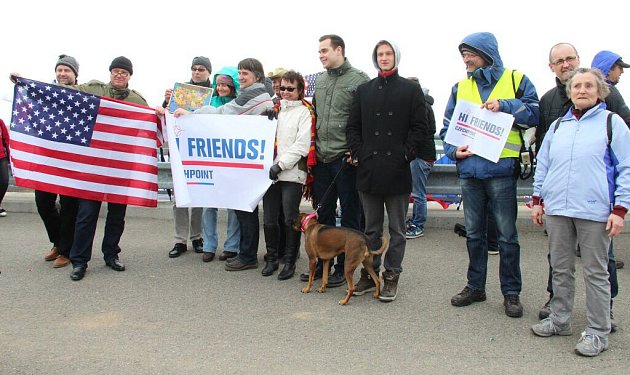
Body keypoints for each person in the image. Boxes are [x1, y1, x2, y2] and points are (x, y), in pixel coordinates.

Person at [530, 67, 630, 357]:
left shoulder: (612, 124)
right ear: (570, 91)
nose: (582, 90)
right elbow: (544, 164)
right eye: (577, 86)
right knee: (560, 268)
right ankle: (560, 319)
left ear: (600, 91)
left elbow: (625, 167)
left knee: (596, 273)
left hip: (595, 211)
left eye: (589, 86)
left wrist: (620, 209)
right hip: (558, 208)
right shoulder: (559, 126)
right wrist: (538, 200)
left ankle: (598, 332)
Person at [440, 32, 540, 318]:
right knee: (473, 234)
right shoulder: (460, 87)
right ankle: (475, 287)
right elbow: (447, 127)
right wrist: (451, 150)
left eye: (469, 53)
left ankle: (511, 293)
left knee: (507, 236)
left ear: (486, 53)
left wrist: (506, 105)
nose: (465, 59)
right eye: (462, 55)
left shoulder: (516, 79)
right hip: (470, 171)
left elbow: (534, 113)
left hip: (500, 171)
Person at [159, 58, 273, 271]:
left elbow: (223, 114)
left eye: (245, 73)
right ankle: (246, 253)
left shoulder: (253, 95)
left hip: (246, 164)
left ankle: (248, 256)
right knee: (244, 209)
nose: (241, 77)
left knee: (244, 209)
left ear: (257, 76)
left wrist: (192, 115)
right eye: (239, 73)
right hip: (246, 163)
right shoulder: (258, 94)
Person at [346, 40, 427, 301]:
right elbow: (353, 127)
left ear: (396, 57)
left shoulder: (411, 89)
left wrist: (406, 153)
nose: (383, 57)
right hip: (369, 169)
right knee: (370, 228)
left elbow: (420, 127)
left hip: (397, 168)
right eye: (380, 54)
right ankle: (370, 275)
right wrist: (359, 153)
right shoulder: (364, 90)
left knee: (397, 229)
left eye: (388, 53)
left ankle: (392, 276)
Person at [68, 56, 149, 281]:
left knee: (116, 216)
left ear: (130, 76)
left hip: (120, 167)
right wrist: (22, 82)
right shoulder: (94, 89)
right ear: (110, 73)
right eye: (115, 71)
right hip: (93, 166)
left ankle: (111, 254)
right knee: (86, 214)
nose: (119, 75)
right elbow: (67, 91)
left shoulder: (138, 100)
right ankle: (79, 261)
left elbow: (147, 126)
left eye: (123, 72)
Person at [298, 34, 370, 287]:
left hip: (345, 158)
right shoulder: (319, 81)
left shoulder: (359, 80)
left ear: (339, 50)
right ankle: (322, 265)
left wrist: (357, 151)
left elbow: (367, 119)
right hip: (322, 156)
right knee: (324, 213)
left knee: (351, 214)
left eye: (324, 50)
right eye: (319, 51)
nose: (321, 55)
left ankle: (344, 267)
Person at [261, 70, 312, 280]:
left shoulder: (305, 112)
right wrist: (266, 119)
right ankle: (272, 257)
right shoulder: (274, 110)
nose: (285, 92)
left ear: (300, 90)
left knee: (289, 218)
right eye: (282, 88)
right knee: (270, 219)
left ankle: (290, 260)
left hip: (291, 173)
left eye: (290, 88)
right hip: (270, 173)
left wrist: (280, 165)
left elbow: (302, 145)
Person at [163, 56, 211, 259]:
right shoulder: (180, 92)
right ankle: (179, 239)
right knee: (180, 198)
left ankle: (197, 237)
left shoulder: (214, 93)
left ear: (209, 72)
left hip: (202, 150)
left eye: (201, 69)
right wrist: (166, 101)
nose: (197, 72)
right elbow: (167, 115)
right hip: (182, 149)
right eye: (194, 69)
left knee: (199, 196)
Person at [37, 54, 81, 268]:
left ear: (75, 74)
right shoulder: (45, 93)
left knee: (69, 206)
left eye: (67, 71)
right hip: (48, 158)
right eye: (60, 70)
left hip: (71, 159)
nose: (63, 74)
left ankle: (66, 250)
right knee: (43, 203)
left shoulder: (83, 96)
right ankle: (58, 241)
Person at [200, 66, 241, 262]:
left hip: (232, 161)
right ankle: (209, 246)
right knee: (209, 205)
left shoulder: (239, 104)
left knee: (233, 206)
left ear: (233, 86)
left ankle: (232, 246)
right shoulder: (208, 102)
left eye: (225, 84)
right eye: (218, 84)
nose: (221, 88)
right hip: (211, 161)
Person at [405, 77, 436, 239]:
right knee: (418, 192)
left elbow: (420, 132)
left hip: (420, 155)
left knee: (418, 193)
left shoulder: (420, 107)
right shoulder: (425, 105)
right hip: (425, 154)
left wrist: (409, 150)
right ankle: (416, 220)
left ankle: (418, 224)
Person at [0, 119, 9, 218]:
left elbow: (6, 138)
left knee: (4, 181)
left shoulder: (0, 122)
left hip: (1, 157)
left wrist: (11, 157)